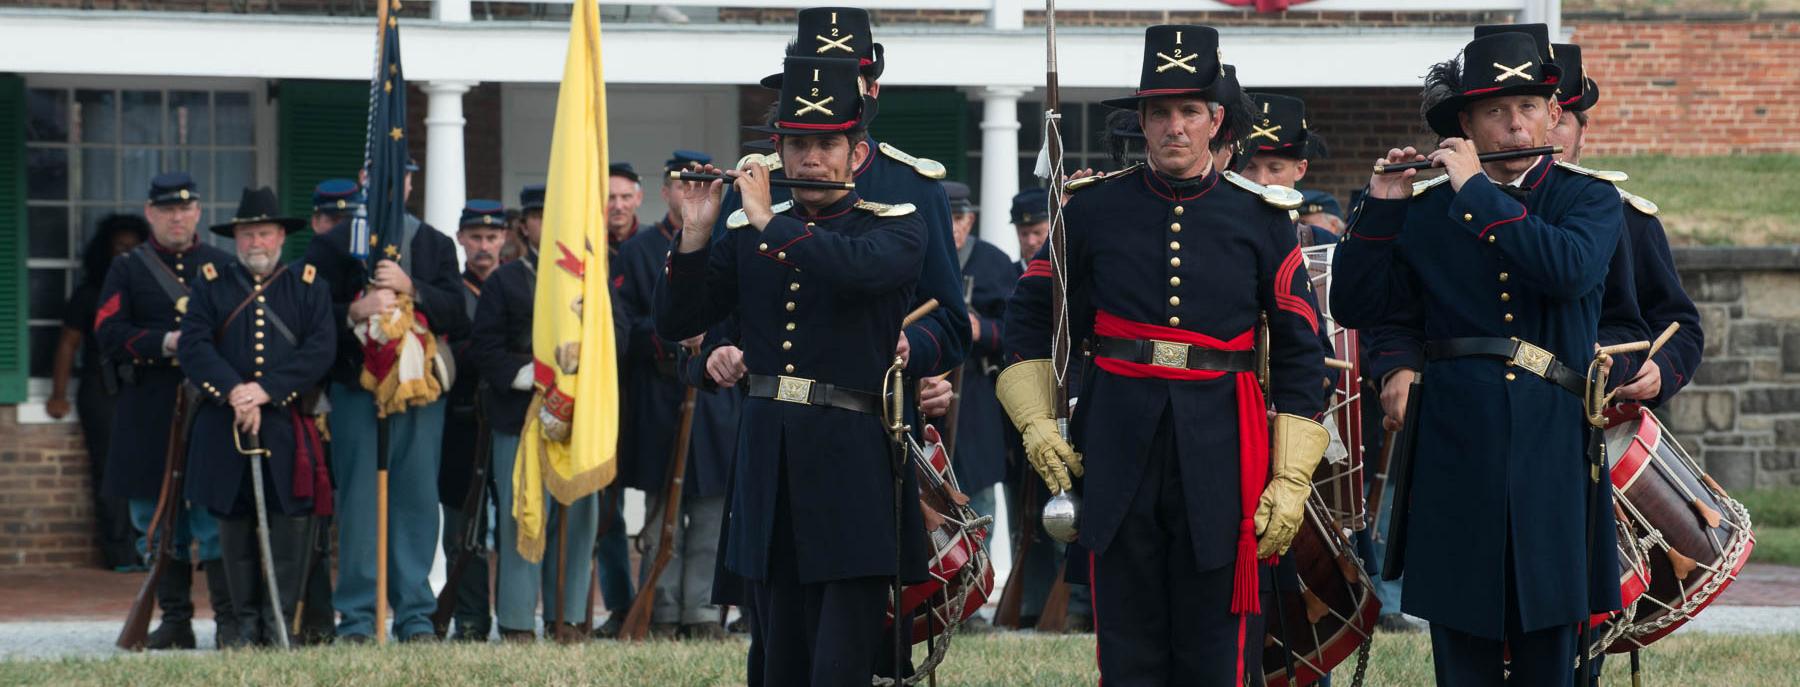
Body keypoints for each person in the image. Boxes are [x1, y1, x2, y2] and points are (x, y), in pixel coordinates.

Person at [1000, 26, 1329, 685]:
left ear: (1216, 121)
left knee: (1218, 650)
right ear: (1142, 121)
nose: (1174, 127)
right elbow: (1030, 317)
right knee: (1129, 647)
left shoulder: (1261, 217)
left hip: (1225, 449)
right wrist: (1037, 422)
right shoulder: (1091, 212)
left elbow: (1300, 351)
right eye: (1160, 112)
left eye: (1189, 112)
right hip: (1116, 440)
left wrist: (1291, 478)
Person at [1331, 30, 1633, 686]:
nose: (1515, 122)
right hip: (1454, 437)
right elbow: (1360, 303)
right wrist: (1380, 209)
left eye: (1528, 106)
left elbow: (1569, 271)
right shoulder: (1426, 209)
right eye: (1495, 110)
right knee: (1461, 631)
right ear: (1466, 123)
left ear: (1555, 115)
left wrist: (1475, 192)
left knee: (1549, 632)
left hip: (1552, 442)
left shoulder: (1590, 199)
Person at [657, 55, 929, 686]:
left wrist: (766, 221)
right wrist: (695, 236)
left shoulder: (894, 229)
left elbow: (855, 272)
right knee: (776, 657)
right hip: (768, 459)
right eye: (797, 143)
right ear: (778, 152)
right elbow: (677, 321)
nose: (811, 158)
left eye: (827, 143)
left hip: (852, 461)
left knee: (842, 660)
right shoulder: (748, 236)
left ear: (856, 155)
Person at [304, 158, 469, 643]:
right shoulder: (333, 244)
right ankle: (357, 617)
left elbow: (458, 314)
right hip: (357, 391)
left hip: (420, 393)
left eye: (403, 177)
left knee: (417, 501)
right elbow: (309, 315)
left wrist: (411, 287)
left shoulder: (434, 244)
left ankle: (416, 614)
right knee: (359, 504)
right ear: (364, 182)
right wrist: (355, 308)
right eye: (380, 178)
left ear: (412, 183)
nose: (393, 186)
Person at [179, 187, 336, 647]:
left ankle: (280, 622)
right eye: (247, 235)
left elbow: (320, 350)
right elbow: (194, 346)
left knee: (292, 525)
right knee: (232, 525)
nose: (255, 244)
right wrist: (234, 392)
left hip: (287, 426)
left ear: (281, 236)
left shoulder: (309, 286)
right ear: (236, 239)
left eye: (263, 233)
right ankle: (241, 627)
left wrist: (266, 391)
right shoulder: (211, 284)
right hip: (225, 423)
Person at [95, 171, 236, 650]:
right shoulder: (128, 268)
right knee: (154, 521)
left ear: (198, 212)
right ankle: (175, 621)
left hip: (209, 406)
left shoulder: (221, 263)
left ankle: (228, 620)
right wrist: (166, 342)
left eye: (185, 209)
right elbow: (109, 333)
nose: (177, 218)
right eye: (166, 210)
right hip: (149, 410)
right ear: (151, 214)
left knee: (213, 516)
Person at [469, 187, 600, 644]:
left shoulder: (591, 277)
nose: (551, 225)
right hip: (521, 414)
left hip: (579, 417)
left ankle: (568, 618)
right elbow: (483, 348)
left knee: (580, 515)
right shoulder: (504, 281)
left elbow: (619, 336)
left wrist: (593, 340)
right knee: (522, 516)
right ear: (525, 225)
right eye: (541, 218)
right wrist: (528, 373)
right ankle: (518, 621)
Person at [614, 150, 735, 640]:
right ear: (664, 192)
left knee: (710, 513)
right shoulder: (638, 251)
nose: (689, 196)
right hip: (662, 398)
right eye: (680, 186)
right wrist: (672, 335)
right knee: (665, 517)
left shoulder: (729, 243)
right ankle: (662, 610)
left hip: (716, 399)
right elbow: (623, 324)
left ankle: (703, 612)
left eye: (699, 187)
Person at [1542, 41, 1704, 408]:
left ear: (1584, 132)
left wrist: (1662, 367)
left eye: (1559, 120)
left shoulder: (1630, 220)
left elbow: (1680, 326)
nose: (1542, 134)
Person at [48, 214, 149, 572]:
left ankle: (147, 549)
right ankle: (119, 551)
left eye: (135, 248)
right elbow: (67, 344)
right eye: (120, 247)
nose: (127, 254)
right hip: (101, 387)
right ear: (105, 250)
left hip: (141, 386)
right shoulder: (90, 293)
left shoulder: (146, 292)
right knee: (109, 470)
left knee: (147, 469)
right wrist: (58, 394)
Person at [436, 199, 510, 642]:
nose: (483, 246)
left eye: (491, 237)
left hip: (508, 417)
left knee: (517, 525)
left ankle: (516, 616)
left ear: (504, 238)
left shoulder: (518, 284)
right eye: (475, 238)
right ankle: (469, 618)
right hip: (461, 423)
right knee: (464, 532)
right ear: (462, 239)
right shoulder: (450, 293)